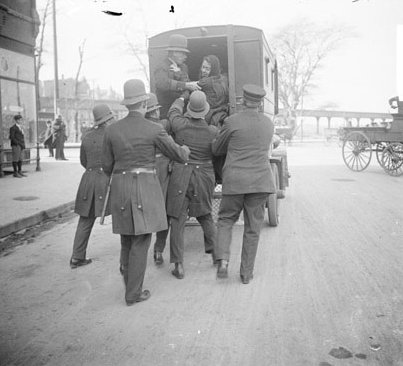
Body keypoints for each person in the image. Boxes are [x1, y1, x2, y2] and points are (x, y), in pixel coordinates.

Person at [102, 79, 190, 306]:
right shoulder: (154, 129)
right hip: (144, 187)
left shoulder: (112, 130)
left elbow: (106, 166)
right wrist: (185, 149)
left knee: (126, 235)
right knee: (141, 238)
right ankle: (133, 293)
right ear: (143, 103)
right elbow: (178, 155)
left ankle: (126, 269)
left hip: (120, 187)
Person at [212, 84, 276, 284]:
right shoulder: (268, 124)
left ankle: (223, 261)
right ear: (259, 103)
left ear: (242, 101)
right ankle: (246, 274)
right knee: (252, 228)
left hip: (235, 181)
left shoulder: (231, 122)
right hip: (260, 182)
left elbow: (217, 149)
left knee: (225, 220)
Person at [166, 90, 219, 279]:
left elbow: (172, 112)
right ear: (205, 111)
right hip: (204, 175)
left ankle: (178, 264)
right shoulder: (213, 131)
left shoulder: (179, 125)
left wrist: (181, 97)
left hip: (181, 174)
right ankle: (217, 257)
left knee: (177, 220)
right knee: (205, 215)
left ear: (189, 109)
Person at [70, 104, 115, 269]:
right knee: (123, 212)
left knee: (85, 218)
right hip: (107, 180)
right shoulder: (112, 135)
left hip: (88, 180)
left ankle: (77, 257)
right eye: (111, 117)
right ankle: (129, 256)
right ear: (108, 119)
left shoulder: (87, 136)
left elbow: (83, 161)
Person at [145, 93, 171, 266]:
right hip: (161, 171)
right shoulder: (162, 125)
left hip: (144, 173)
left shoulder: (140, 127)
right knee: (164, 213)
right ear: (154, 112)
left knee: (146, 215)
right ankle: (158, 250)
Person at [154, 33, 200, 119]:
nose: (185, 57)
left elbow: (189, 86)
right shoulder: (161, 67)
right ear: (174, 52)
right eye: (183, 53)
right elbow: (162, 84)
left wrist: (182, 98)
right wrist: (186, 85)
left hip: (182, 112)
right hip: (166, 114)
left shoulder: (184, 67)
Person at [197, 55, 229, 127]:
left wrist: (180, 72)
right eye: (203, 67)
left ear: (213, 70)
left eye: (207, 69)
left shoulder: (205, 82)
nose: (203, 71)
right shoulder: (223, 79)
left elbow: (190, 86)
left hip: (208, 118)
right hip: (221, 116)